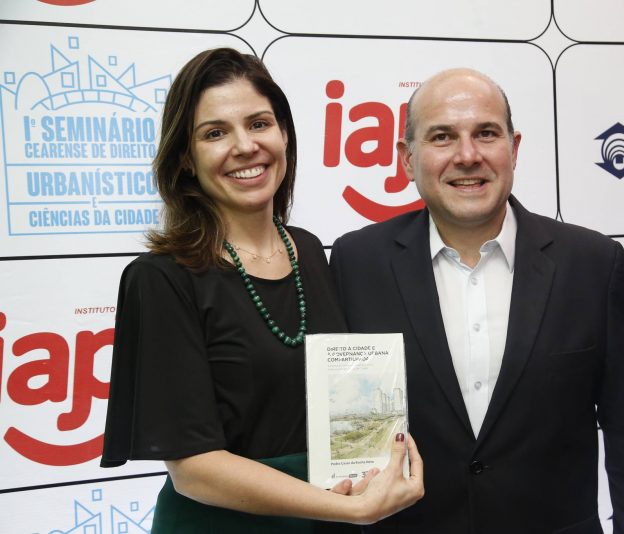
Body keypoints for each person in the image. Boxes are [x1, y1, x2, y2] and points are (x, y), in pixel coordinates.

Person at [329, 68, 624, 533]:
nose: (467, 156)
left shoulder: (592, 265)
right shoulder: (356, 262)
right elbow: (348, 439)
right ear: (407, 160)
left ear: (514, 148)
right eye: (443, 137)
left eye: (486, 133)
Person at [100, 48, 423, 533]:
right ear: (186, 158)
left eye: (258, 123)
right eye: (215, 133)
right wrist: (352, 510)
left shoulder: (310, 251)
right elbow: (194, 471)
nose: (245, 146)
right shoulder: (161, 278)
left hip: (321, 516)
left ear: (284, 134)